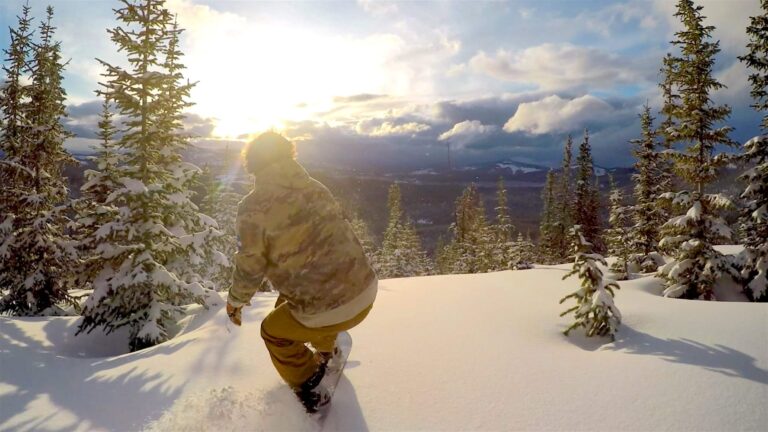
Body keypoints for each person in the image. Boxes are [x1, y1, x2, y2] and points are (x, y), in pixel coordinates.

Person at [226, 131, 377, 412]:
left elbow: (250, 265)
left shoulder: (253, 207)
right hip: (366, 292)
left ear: (252, 164)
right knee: (288, 301)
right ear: (289, 154)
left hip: (330, 310)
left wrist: (235, 301)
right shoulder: (317, 187)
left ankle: (310, 386)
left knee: (273, 332)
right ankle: (325, 348)